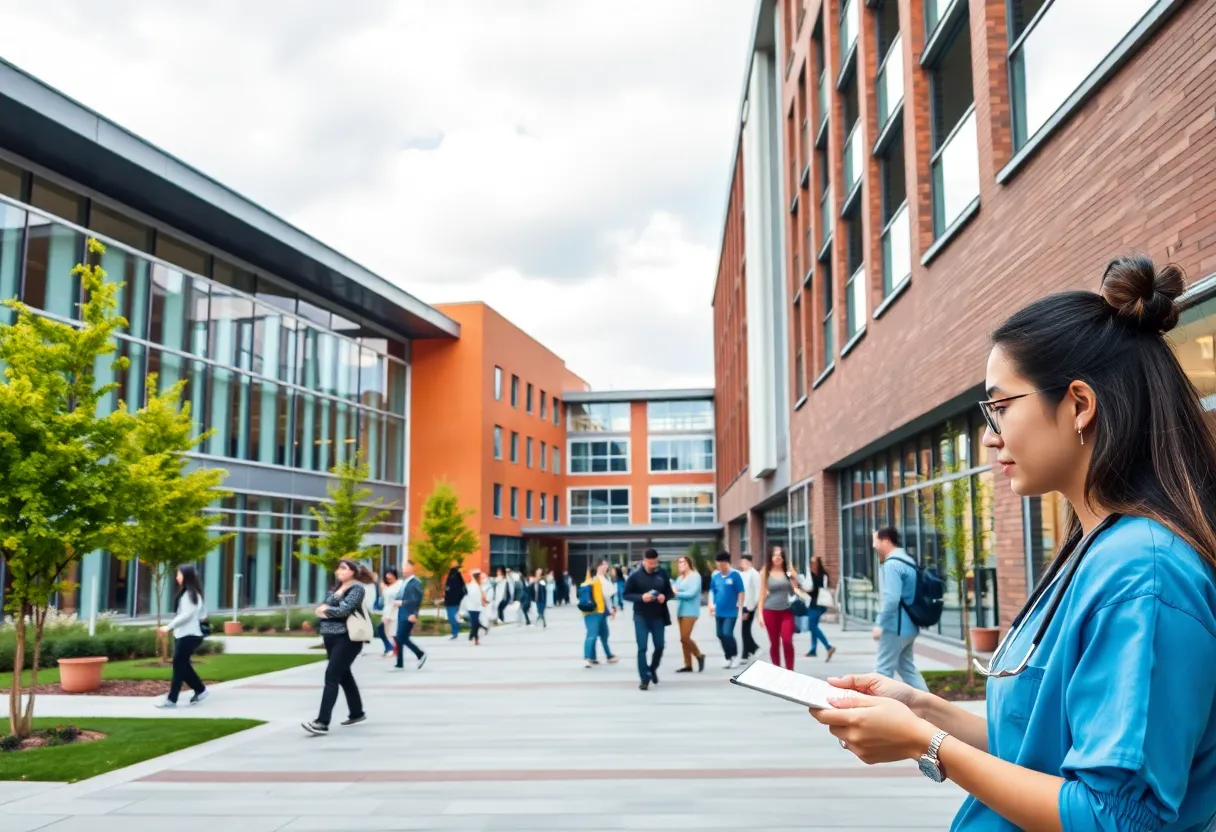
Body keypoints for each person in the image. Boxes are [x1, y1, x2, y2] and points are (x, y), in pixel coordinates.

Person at [811, 256, 1216, 830]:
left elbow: (1114, 817)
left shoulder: (1142, 572)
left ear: (1079, 405)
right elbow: (1040, 744)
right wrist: (923, 709)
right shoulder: (1097, 549)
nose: (988, 436)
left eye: (1000, 408)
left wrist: (927, 745)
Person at [303, 558, 373, 735]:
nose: (339, 571)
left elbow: (343, 610)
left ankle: (322, 722)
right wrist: (329, 605)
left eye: (343, 568)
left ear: (353, 571)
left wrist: (325, 610)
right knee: (344, 676)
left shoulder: (357, 589)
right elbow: (326, 605)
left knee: (332, 677)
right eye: (338, 568)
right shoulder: (334, 589)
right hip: (330, 638)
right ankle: (357, 712)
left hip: (347, 639)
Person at [871, 527, 928, 691]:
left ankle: (878, 706)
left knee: (882, 672)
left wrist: (880, 623)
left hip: (895, 627)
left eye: (875, 541)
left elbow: (891, 598)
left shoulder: (892, 564)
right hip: (909, 625)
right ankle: (930, 703)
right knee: (907, 670)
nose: (873, 546)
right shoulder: (907, 561)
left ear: (885, 541)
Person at [156, 564, 208, 708]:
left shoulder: (191, 594)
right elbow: (202, 614)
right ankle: (200, 690)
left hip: (189, 635)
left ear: (187, 576)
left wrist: (168, 627)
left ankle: (172, 699)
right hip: (185, 634)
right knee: (182, 665)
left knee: (179, 666)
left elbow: (186, 615)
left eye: (179, 574)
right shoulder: (190, 593)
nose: (177, 577)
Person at [623, 549, 675, 690]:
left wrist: (664, 597)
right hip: (641, 616)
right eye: (650, 563)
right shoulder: (635, 576)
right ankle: (644, 678)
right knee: (642, 647)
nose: (653, 565)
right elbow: (626, 595)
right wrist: (641, 597)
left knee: (660, 645)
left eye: (655, 563)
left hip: (658, 616)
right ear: (644, 561)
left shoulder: (662, 574)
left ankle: (652, 668)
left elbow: (670, 593)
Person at [757, 545, 800, 670]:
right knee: (774, 643)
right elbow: (762, 594)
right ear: (770, 557)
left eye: (780, 555)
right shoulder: (765, 571)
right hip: (770, 611)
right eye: (775, 555)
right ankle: (778, 670)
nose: (777, 557)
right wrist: (760, 614)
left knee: (787, 641)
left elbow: (795, 589)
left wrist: (794, 577)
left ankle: (790, 671)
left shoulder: (788, 571)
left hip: (786, 611)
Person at [708, 552, 745, 669]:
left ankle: (735, 656)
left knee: (727, 633)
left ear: (726, 563)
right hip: (719, 610)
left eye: (720, 564)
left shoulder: (735, 575)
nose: (719, 566)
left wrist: (740, 606)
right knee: (720, 634)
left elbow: (741, 591)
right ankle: (728, 657)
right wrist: (711, 605)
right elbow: (712, 591)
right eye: (717, 564)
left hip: (731, 611)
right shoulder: (716, 576)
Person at [580, 561, 618, 668]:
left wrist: (611, 609)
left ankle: (602, 656)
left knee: (603, 634)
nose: (606, 567)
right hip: (594, 612)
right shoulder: (598, 580)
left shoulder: (600, 579)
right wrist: (612, 609)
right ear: (598, 567)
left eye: (606, 565)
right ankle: (587, 658)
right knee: (592, 635)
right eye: (603, 565)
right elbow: (609, 595)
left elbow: (606, 597)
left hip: (600, 612)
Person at [392, 561, 427, 671]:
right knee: (401, 638)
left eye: (406, 567)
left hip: (408, 614)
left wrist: (414, 613)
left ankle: (420, 654)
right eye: (403, 567)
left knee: (400, 637)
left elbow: (416, 599)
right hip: (402, 613)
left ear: (412, 568)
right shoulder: (405, 582)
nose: (403, 569)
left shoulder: (415, 582)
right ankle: (400, 663)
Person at [673, 554, 705, 673]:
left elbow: (691, 593)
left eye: (683, 562)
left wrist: (677, 593)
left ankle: (699, 655)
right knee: (683, 639)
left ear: (689, 563)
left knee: (685, 637)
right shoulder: (679, 578)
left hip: (691, 611)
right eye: (679, 562)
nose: (681, 564)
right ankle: (688, 665)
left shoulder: (695, 576)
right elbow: (674, 592)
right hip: (680, 610)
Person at [804, 556, 836, 661]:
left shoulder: (822, 575)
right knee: (814, 626)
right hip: (814, 603)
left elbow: (821, 589)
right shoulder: (811, 574)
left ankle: (828, 647)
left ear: (818, 563)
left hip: (819, 603)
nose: (812, 565)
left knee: (812, 626)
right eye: (811, 562)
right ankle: (813, 650)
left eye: (814, 562)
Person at [738, 553, 761, 660]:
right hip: (743, 605)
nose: (743, 564)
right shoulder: (743, 574)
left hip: (750, 606)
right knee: (745, 630)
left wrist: (750, 607)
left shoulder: (754, 574)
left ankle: (747, 652)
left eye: (745, 562)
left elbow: (757, 591)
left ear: (750, 562)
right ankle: (752, 649)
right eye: (742, 562)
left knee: (745, 630)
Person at [375, 568, 402, 657]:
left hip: (395, 612)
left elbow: (393, 601)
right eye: (387, 578)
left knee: (391, 632)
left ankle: (392, 649)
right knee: (384, 631)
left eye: (391, 577)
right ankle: (391, 648)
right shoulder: (387, 586)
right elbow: (384, 601)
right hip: (387, 611)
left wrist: (388, 615)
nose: (389, 579)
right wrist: (383, 589)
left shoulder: (400, 585)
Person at [463, 568, 489, 645]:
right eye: (479, 576)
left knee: (475, 623)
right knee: (475, 623)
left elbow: (481, 595)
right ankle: (473, 636)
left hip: (477, 608)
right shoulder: (472, 585)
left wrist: (483, 601)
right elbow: (473, 597)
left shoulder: (478, 585)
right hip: (472, 607)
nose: (480, 578)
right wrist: (481, 602)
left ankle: (474, 638)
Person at [443, 565, 466, 639]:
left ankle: (455, 632)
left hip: (454, 602)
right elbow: (447, 590)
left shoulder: (456, 579)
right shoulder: (455, 579)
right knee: (452, 618)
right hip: (451, 602)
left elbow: (448, 589)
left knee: (452, 617)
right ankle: (455, 631)